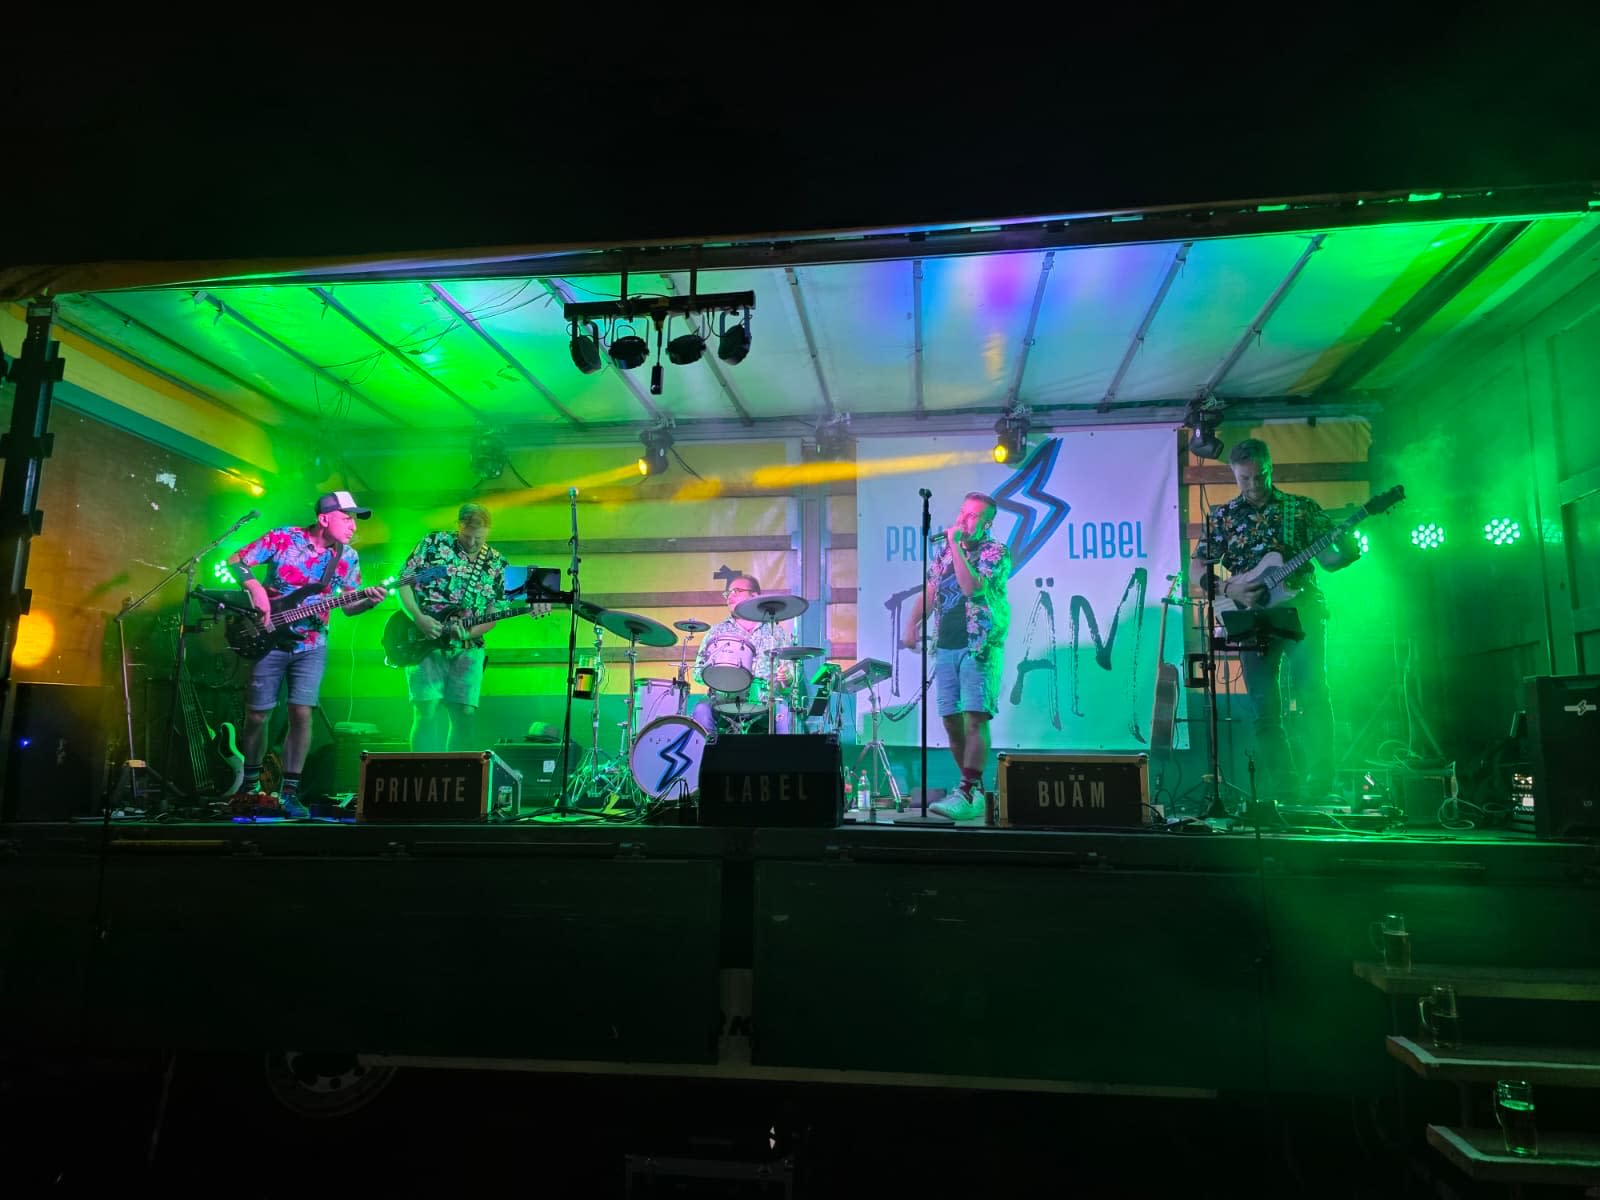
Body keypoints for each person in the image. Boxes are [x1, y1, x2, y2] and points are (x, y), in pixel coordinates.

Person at [1188, 438, 1362, 804]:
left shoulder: (1300, 509)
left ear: (1270, 469)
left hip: (1303, 613)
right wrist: (1230, 588)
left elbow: (1329, 561)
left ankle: (1320, 785)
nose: (1253, 485)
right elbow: (1196, 569)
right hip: (1250, 616)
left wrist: (1348, 548)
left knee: (1313, 696)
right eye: (1245, 478)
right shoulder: (1223, 516)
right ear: (1234, 474)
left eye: (1260, 476)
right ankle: (1285, 788)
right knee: (1264, 708)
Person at [227, 490, 386, 816]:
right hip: (268, 637)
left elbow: (349, 606)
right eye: (347, 518)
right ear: (324, 518)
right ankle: (250, 786)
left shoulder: (347, 556)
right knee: (257, 715)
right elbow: (235, 560)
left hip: (312, 645)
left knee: (301, 713)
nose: (353, 526)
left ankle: (289, 792)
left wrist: (368, 601)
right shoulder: (284, 538)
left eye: (354, 520)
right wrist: (255, 588)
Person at [901, 492, 1011, 821]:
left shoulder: (995, 552)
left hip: (979, 644)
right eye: (963, 512)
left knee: (975, 717)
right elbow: (932, 590)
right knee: (951, 719)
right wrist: (912, 623)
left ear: (987, 524)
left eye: (973, 516)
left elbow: (972, 588)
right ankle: (973, 791)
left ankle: (967, 789)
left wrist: (956, 546)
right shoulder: (945, 553)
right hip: (946, 644)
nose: (964, 519)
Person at [397, 502, 510, 753]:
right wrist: (418, 618)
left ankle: (454, 772)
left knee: (465, 713)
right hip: (425, 642)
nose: (472, 542)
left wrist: (470, 632)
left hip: (468, 647)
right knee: (425, 711)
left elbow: (493, 615)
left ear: (488, 530)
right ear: (458, 526)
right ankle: (421, 772)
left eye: (479, 538)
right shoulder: (433, 543)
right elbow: (403, 583)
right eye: (467, 536)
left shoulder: (497, 563)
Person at [689, 574, 795, 734]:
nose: (729, 596)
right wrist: (718, 676)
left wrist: (787, 678)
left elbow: (791, 680)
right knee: (701, 710)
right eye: (728, 593)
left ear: (754, 596)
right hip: (724, 700)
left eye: (736, 591)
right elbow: (698, 672)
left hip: (766, 702)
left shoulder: (776, 633)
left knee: (785, 712)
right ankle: (709, 750)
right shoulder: (717, 632)